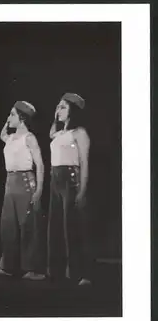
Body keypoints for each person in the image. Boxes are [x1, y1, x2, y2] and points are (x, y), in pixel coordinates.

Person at [0, 101, 46, 280]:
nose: (8, 118)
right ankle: (7, 266)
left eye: (12, 114)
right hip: (10, 182)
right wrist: (9, 120)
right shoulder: (10, 138)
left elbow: (40, 164)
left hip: (26, 181)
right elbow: (2, 133)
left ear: (22, 118)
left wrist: (39, 189)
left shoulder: (29, 138)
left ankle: (33, 269)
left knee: (28, 226)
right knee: (8, 226)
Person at [48, 92, 92, 286]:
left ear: (73, 111)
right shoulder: (59, 134)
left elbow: (84, 163)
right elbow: (51, 133)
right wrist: (57, 115)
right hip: (55, 179)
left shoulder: (80, 133)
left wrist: (82, 190)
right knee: (55, 226)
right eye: (58, 106)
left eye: (63, 107)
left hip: (70, 179)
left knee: (71, 227)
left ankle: (79, 272)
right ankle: (56, 270)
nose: (58, 110)